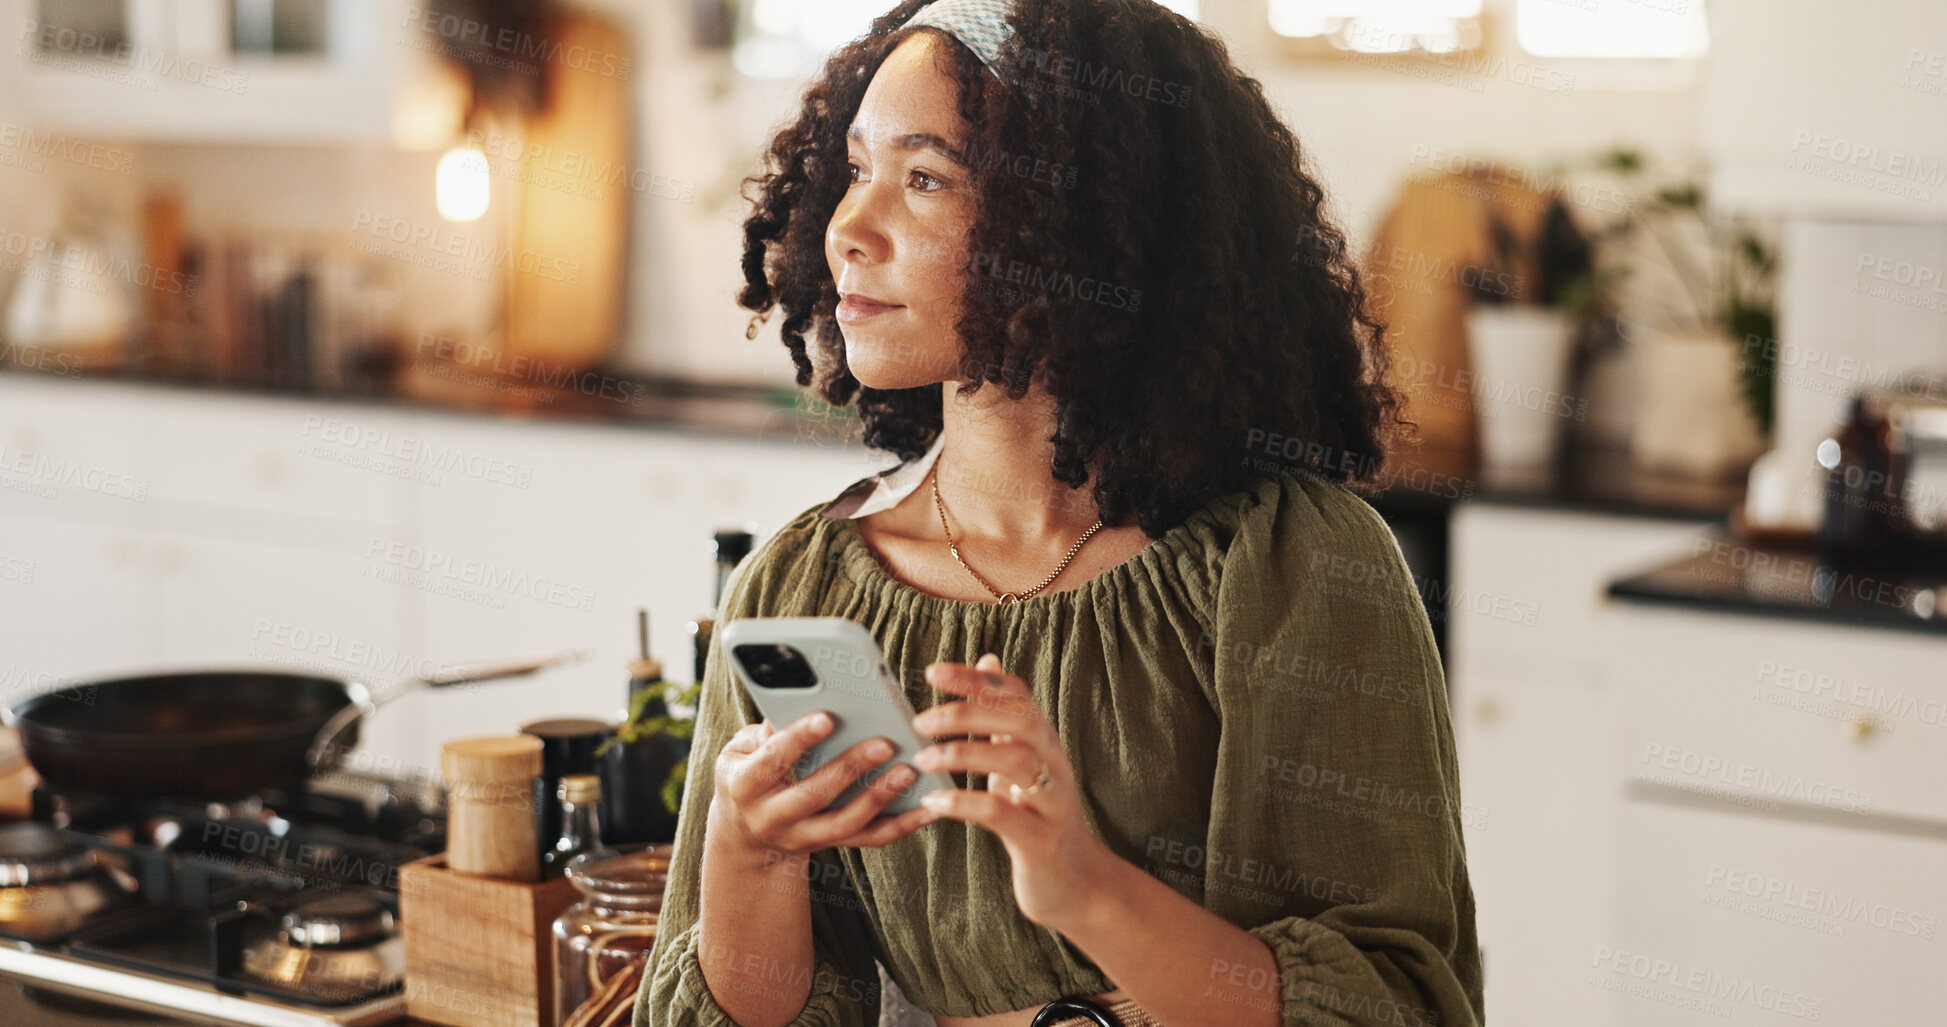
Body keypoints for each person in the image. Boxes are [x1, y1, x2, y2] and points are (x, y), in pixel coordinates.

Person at [636, 1, 1483, 1025]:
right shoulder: (798, 585)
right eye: (857, 169)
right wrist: (746, 850)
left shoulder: (1295, 564)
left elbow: (1398, 1003)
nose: (850, 230)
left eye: (926, 178)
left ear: (1083, 224)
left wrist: (1087, 887)